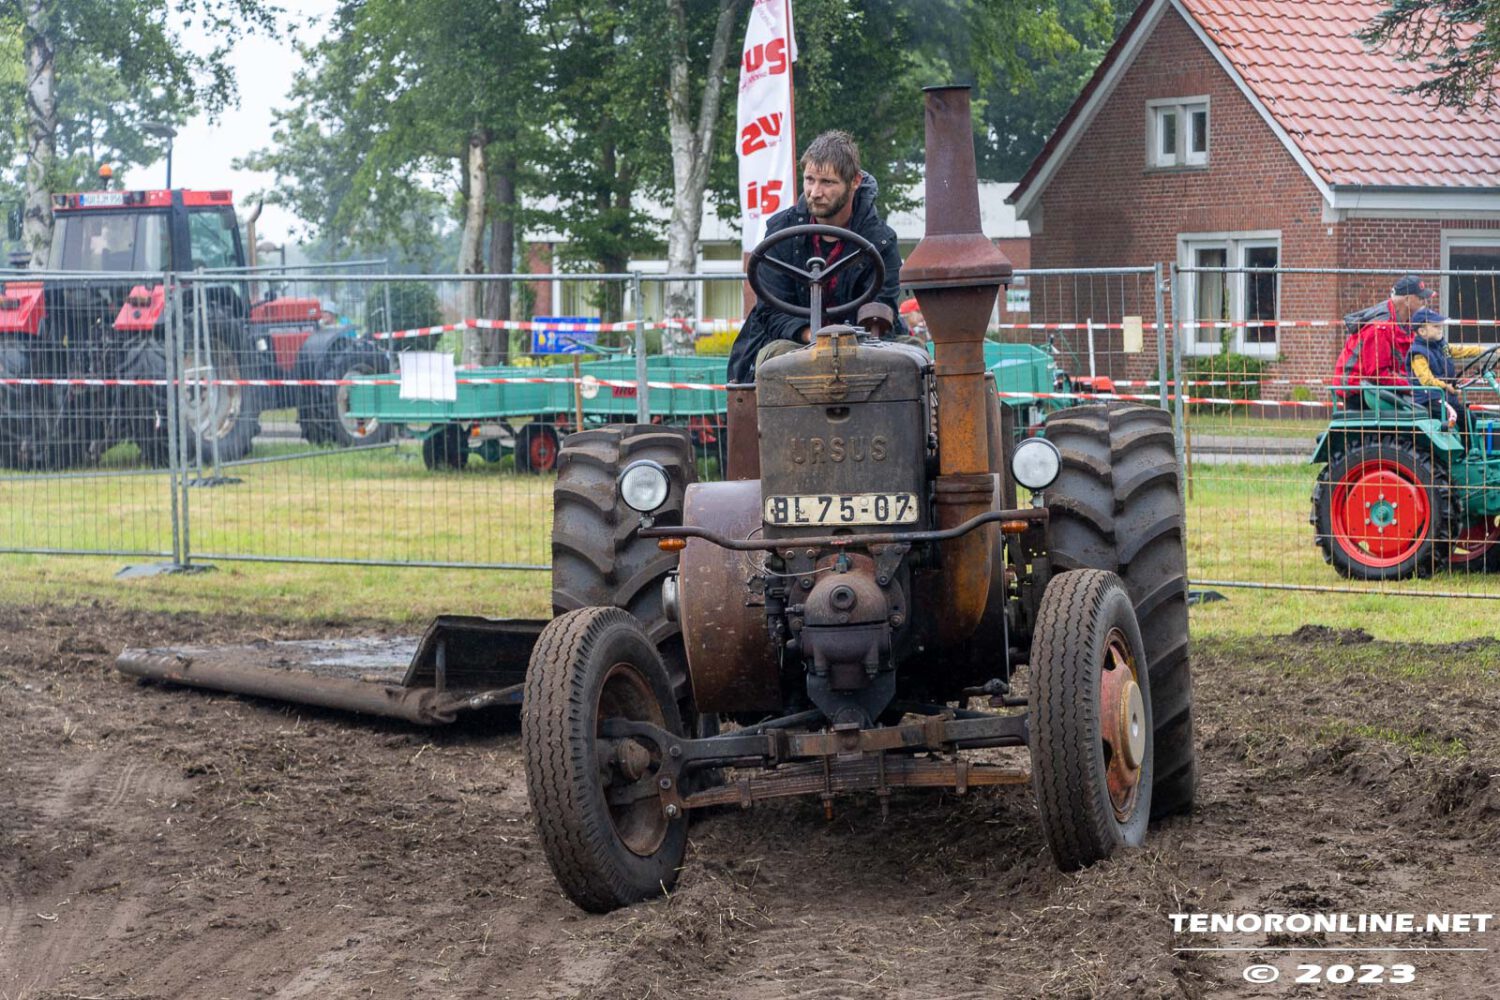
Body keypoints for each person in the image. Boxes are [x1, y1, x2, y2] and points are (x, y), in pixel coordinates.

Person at [727, 130, 905, 384]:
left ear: (854, 181)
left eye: (827, 182)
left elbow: (882, 304)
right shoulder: (781, 232)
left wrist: (851, 339)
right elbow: (771, 311)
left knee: (913, 355)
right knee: (777, 360)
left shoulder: (881, 240)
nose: (814, 192)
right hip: (792, 340)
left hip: (862, 343)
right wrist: (814, 336)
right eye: (810, 180)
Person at [1408, 307, 1482, 434]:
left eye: (1440, 326)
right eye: (1436, 326)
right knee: (1460, 417)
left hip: (1445, 396)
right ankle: (1464, 446)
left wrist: (1485, 350)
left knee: (1470, 418)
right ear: (1422, 331)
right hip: (1429, 399)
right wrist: (1446, 386)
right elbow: (1426, 380)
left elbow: (1462, 350)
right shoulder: (1418, 353)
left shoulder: (1441, 346)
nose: (1440, 329)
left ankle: (1468, 444)